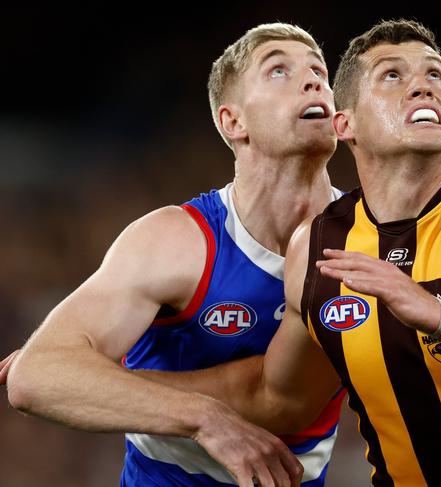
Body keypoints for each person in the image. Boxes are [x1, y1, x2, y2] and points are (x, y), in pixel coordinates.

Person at [118, 19, 441, 487]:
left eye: (436, 75)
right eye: (392, 75)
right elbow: (279, 398)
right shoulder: (319, 247)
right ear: (343, 123)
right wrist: (132, 391)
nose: (423, 85)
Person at [5, 22, 345, 487]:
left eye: (319, 73)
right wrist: (202, 416)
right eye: (279, 71)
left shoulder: (366, 242)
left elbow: (279, 399)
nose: (312, 81)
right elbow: (37, 377)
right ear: (233, 121)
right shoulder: (174, 242)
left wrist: (101, 378)